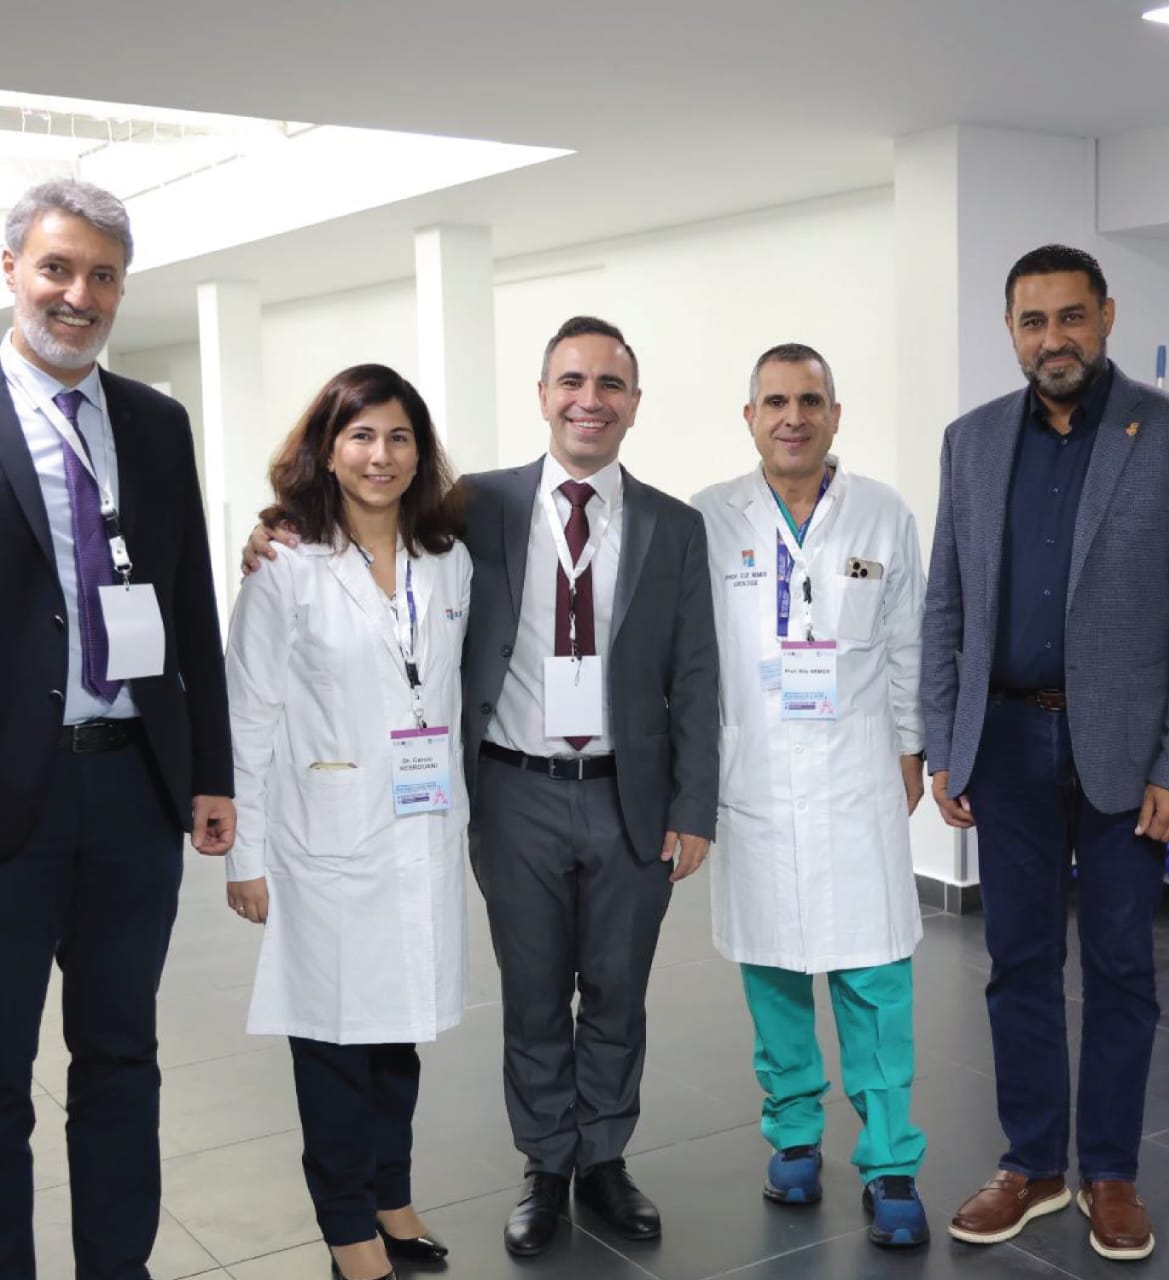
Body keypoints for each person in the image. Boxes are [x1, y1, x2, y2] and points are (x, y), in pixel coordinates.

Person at [247, 316, 719, 1259]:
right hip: (513, 792)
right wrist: (277, 526)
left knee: (618, 991)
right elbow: (364, 516)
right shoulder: (477, 506)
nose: (589, 400)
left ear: (634, 402)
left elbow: (698, 673)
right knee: (533, 992)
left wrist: (693, 804)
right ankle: (545, 1164)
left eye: (610, 384)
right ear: (542, 395)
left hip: (628, 793)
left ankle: (604, 1159)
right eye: (571, 381)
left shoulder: (675, 525)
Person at [922, 243, 1169, 1259]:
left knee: (1120, 964)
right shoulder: (971, 441)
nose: (1051, 338)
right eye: (1031, 320)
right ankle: (1030, 1164)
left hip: (1127, 752)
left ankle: (1109, 1171)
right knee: (1015, 959)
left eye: (1069, 316)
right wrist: (944, 742)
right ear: (1011, 331)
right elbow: (946, 602)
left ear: (1105, 316)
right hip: (1005, 739)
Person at [0, 179, 235, 1280]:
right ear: (11, 270)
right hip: (12, 795)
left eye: (102, 275)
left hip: (133, 789)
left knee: (121, 1058)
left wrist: (209, 770)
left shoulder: (153, 420)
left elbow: (187, 602)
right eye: (57, 268)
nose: (78, 295)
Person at [226, 365, 468, 1280]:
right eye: (361, 436)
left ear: (420, 453)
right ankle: (346, 1229)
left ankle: (391, 1196)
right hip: (322, 840)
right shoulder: (285, 567)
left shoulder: (448, 558)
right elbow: (248, 714)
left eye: (400, 437)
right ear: (327, 451)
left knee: (398, 1031)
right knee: (332, 1040)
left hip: (420, 828)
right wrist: (245, 856)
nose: (381, 455)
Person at [693, 343, 930, 1248]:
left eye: (810, 401)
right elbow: (690, 660)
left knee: (876, 974)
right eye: (776, 402)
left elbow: (907, 641)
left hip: (857, 775)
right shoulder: (710, 518)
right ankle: (793, 1134)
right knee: (774, 973)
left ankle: (890, 1159)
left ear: (835, 414)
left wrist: (911, 745)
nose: (793, 417)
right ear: (749, 417)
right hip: (753, 775)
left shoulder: (881, 512)